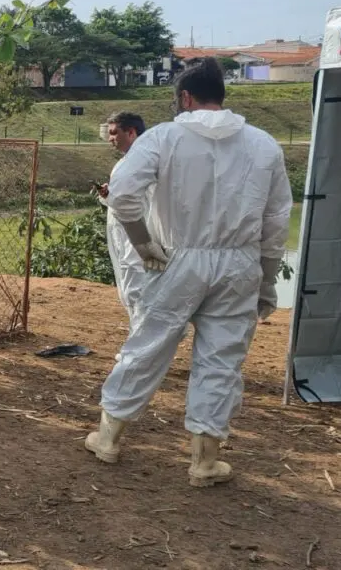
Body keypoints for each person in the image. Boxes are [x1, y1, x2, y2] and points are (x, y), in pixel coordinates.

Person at [85, 58, 292, 487]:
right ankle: (204, 460)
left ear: (184, 97)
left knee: (149, 344)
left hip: (176, 258)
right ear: (222, 94)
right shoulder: (264, 145)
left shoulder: (164, 137)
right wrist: (267, 279)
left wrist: (147, 250)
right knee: (222, 359)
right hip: (239, 262)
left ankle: (108, 438)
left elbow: (122, 195)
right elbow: (276, 223)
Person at [97, 112, 149, 358]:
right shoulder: (129, 161)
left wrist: (113, 196)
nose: (110, 138)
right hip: (125, 234)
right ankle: (140, 343)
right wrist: (109, 194)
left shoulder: (144, 161)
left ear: (131, 132)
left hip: (137, 234)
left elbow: (133, 201)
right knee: (131, 291)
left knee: (137, 290)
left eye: (114, 132)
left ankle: (140, 349)